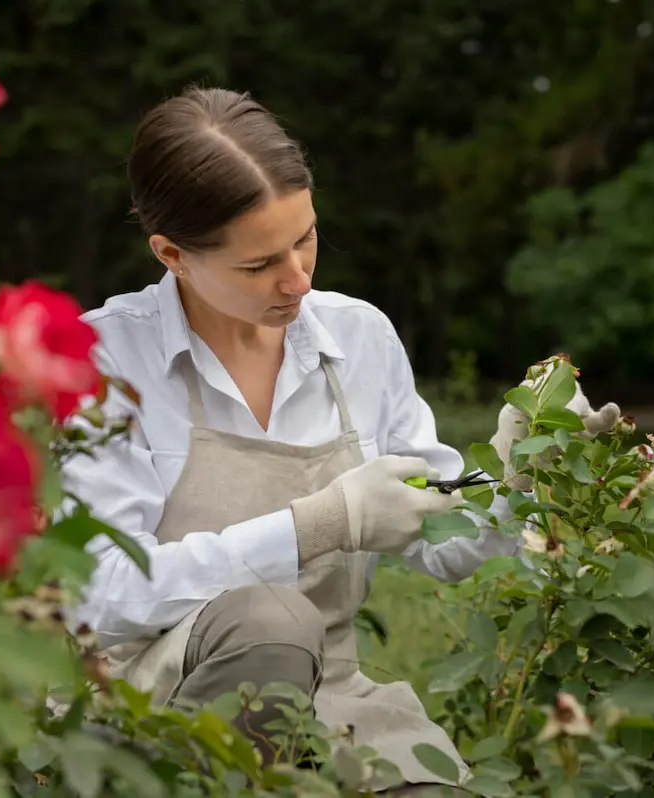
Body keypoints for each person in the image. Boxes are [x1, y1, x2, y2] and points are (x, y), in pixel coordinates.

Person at [61, 86, 621, 796]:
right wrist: (317, 525)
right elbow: (99, 594)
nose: (298, 280)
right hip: (144, 702)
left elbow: (439, 537)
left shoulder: (356, 338)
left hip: (331, 698)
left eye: (306, 239)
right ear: (173, 254)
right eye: (259, 264)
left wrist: (528, 474)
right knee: (271, 620)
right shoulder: (104, 361)